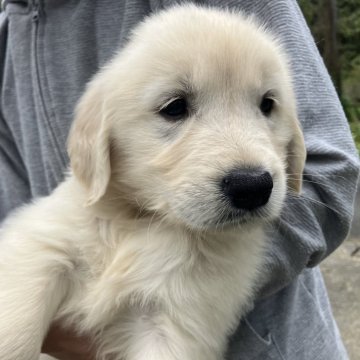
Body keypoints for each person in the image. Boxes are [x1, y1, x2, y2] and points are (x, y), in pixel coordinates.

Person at [0, 0, 358, 359]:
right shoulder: (7, 33)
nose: (249, 165)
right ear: (99, 139)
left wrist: (190, 275)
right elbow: (20, 241)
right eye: (175, 108)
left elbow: (330, 170)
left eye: (266, 105)